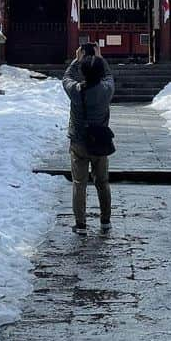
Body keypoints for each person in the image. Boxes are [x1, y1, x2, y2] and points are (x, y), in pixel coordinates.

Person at [61, 44, 115, 235]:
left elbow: (66, 78)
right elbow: (109, 76)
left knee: (79, 183)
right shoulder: (106, 90)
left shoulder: (75, 91)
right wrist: (100, 58)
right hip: (100, 142)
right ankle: (105, 220)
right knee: (102, 182)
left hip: (78, 142)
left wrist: (77, 60)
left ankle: (81, 223)